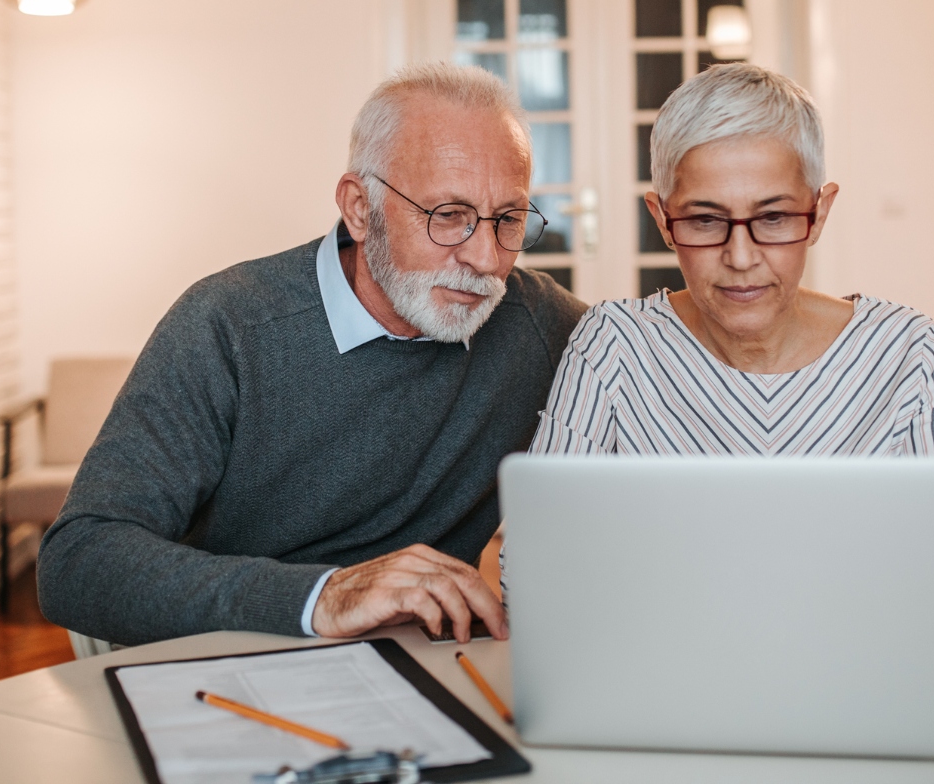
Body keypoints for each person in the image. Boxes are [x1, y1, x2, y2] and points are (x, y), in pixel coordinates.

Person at [38, 63, 586, 647]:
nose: (484, 257)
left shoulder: (536, 322)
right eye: (447, 216)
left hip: (419, 669)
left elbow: (661, 344)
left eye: (508, 219)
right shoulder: (229, 325)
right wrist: (325, 595)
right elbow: (78, 560)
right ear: (358, 206)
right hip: (223, 654)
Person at [527, 63, 934, 614]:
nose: (740, 258)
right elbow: (538, 567)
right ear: (662, 220)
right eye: (706, 221)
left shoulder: (907, 352)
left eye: (775, 217)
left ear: (820, 211)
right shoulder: (611, 346)